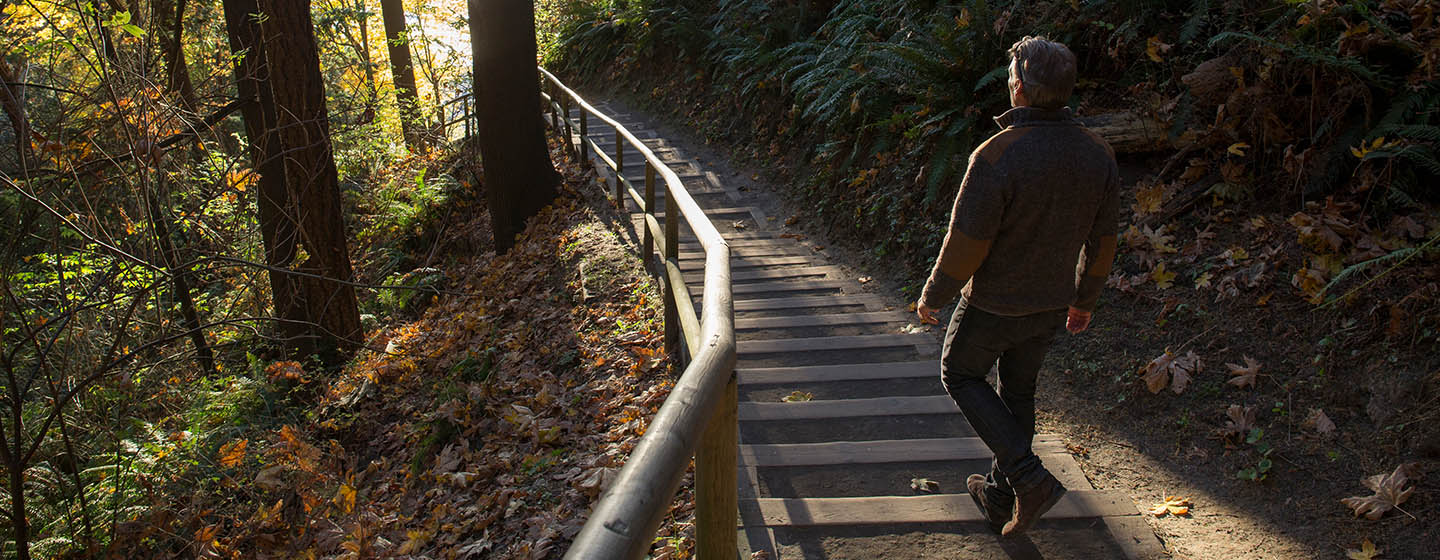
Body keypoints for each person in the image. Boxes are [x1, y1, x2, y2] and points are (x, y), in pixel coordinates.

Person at [914, 36, 1119, 536]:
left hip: (993, 304)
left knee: (959, 373)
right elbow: (1105, 238)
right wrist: (1085, 298)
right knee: (1018, 390)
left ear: (1020, 90)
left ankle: (1029, 479)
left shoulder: (997, 153)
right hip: (1051, 302)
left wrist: (934, 294)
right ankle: (1001, 496)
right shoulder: (1098, 153)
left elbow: (968, 241)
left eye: (1012, 79)